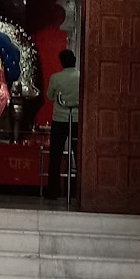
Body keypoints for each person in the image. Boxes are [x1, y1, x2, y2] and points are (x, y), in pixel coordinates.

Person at [45, 48, 80, 199]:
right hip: (76, 119)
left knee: (56, 155)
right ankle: (78, 191)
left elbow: (50, 96)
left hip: (59, 118)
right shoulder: (80, 77)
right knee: (78, 154)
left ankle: (53, 190)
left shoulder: (56, 78)